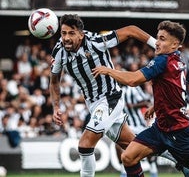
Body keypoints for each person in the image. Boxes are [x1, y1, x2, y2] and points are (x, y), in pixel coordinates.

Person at [92, 20, 189, 177]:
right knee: (128, 157)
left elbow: (133, 80)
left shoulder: (162, 60)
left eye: (162, 39)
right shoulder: (178, 58)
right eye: (157, 38)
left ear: (175, 44)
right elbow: (174, 89)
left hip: (180, 131)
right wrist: (156, 106)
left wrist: (109, 71)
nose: (156, 42)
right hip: (160, 128)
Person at [49, 14, 158, 177]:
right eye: (63, 33)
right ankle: (180, 158)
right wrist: (56, 106)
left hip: (110, 98)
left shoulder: (95, 42)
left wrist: (156, 45)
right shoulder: (59, 52)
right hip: (93, 104)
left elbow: (131, 30)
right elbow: (54, 81)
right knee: (134, 145)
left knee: (85, 144)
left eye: (71, 33)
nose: (66, 38)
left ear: (81, 34)